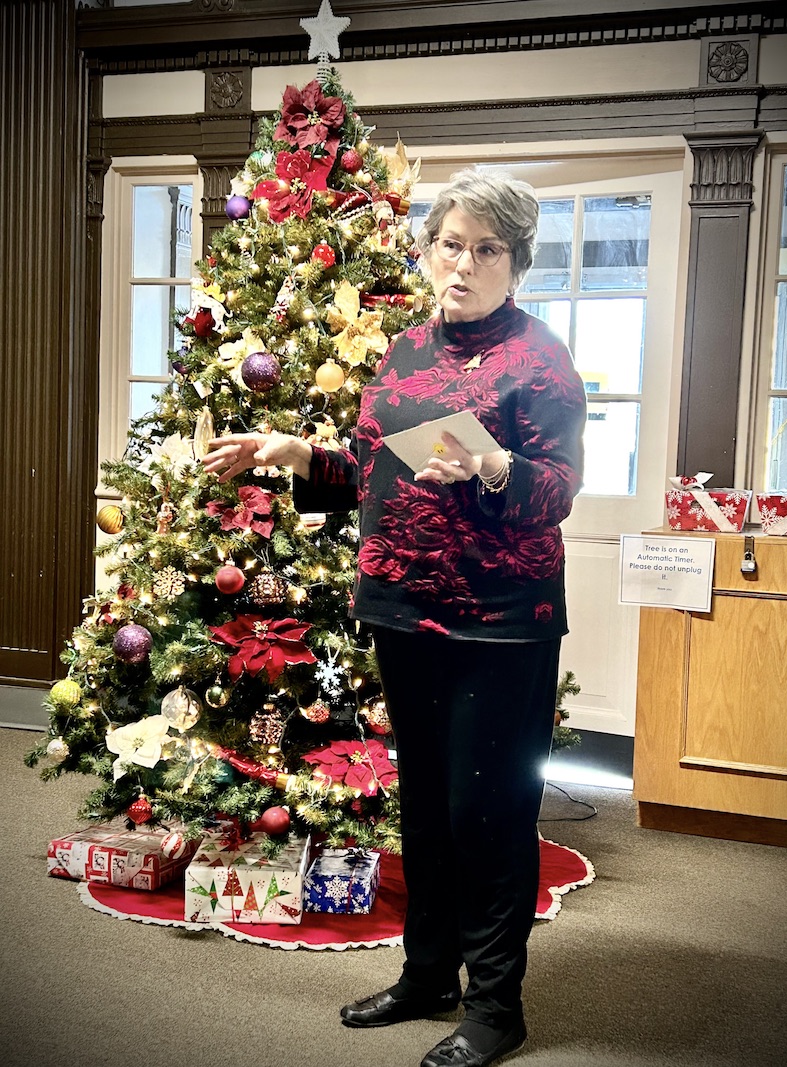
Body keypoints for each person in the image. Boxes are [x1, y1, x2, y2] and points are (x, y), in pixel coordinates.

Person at [202, 168, 587, 1067]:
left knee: (488, 811)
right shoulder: (407, 350)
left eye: (485, 249)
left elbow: (559, 489)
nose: (462, 263)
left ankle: (496, 1007)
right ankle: (427, 976)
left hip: (500, 619)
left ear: (515, 262)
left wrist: (494, 471)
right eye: (449, 244)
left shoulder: (541, 358)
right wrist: (299, 453)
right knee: (424, 808)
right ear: (428, 252)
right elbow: (375, 470)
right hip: (404, 609)